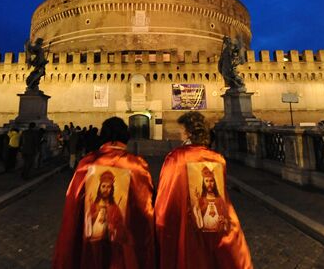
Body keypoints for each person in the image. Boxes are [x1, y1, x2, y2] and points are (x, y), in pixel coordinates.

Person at [155, 111, 253, 269]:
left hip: (186, 228)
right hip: (214, 226)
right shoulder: (217, 158)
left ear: (188, 133)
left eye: (182, 131)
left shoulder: (176, 158)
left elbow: (166, 196)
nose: (180, 134)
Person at [53, 117, 154, 269]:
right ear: (126, 136)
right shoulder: (137, 165)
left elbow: (73, 203)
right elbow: (145, 207)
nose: (106, 189)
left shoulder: (87, 163)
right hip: (123, 253)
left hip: (91, 246)